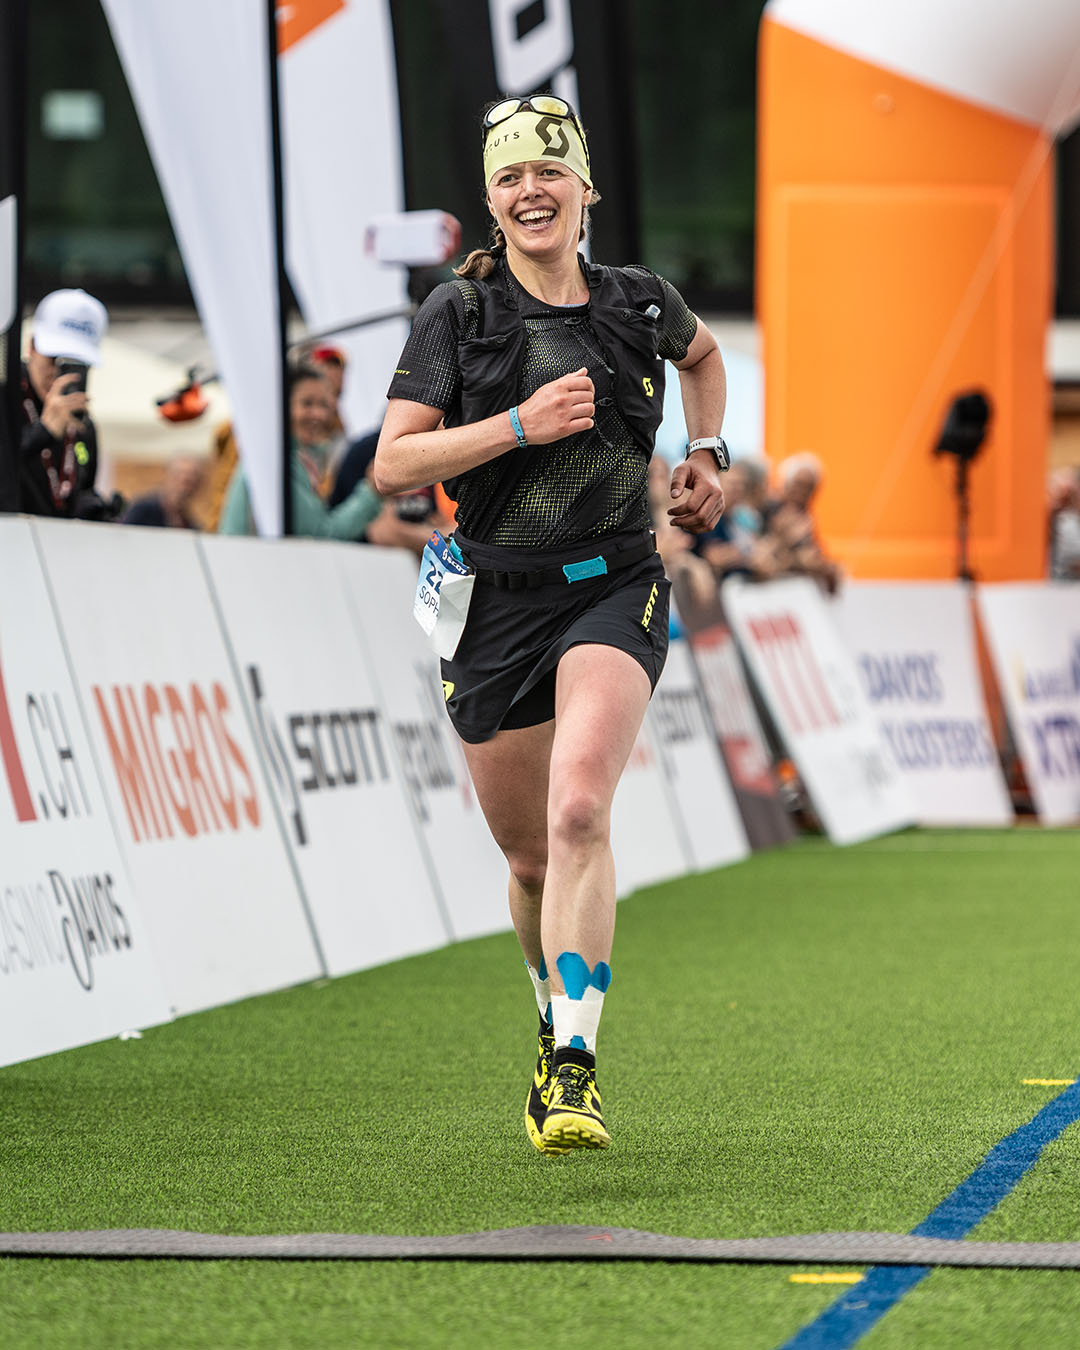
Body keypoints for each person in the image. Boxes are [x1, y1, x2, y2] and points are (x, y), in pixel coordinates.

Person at [375, 94, 727, 1155]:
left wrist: (709, 456)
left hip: (616, 583)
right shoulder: (459, 317)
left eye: (550, 171)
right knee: (531, 858)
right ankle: (548, 1017)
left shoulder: (640, 303)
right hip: (492, 600)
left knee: (582, 809)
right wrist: (516, 427)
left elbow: (707, 361)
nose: (533, 190)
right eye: (511, 176)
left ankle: (572, 1069)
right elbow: (394, 462)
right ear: (492, 201)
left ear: (584, 191)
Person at [218, 364, 382, 538]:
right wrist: (371, 492)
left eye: (324, 405)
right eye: (307, 403)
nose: (319, 415)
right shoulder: (278, 461)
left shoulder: (298, 457)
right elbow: (321, 536)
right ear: (283, 405)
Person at [19, 288, 123, 520]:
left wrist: (94, 510)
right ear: (32, 347)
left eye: (76, 365)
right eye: (55, 359)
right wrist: (42, 432)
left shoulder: (82, 426)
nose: (59, 374)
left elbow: (75, 489)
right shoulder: (8, 397)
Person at [122, 454, 206, 529]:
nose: (184, 483)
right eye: (179, 475)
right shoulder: (143, 511)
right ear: (168, 476)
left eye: (191, 479)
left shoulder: (191, 525)